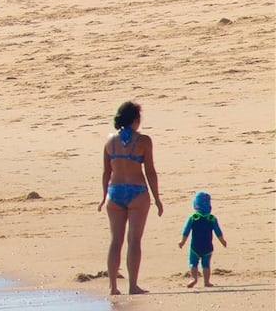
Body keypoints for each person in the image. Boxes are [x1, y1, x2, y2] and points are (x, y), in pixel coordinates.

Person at [97, 101, 162, 296]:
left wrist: (103, 197)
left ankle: (113, 286)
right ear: (135, 119)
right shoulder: (144, 141)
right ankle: (133, 285)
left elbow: (106, 172)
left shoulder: (110, 141)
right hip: (137, 192)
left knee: (115, 241)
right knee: (134, 241)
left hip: (115, 192)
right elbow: (150, 171)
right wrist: (157, 198)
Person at [178, 191, 228, 288]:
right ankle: (206, 281)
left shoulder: (193, 218)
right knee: (206, 265)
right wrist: (223, 241)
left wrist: (182, 242)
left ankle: (194, 278)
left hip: (195, 246)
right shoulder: (212, 219)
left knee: (193, 263)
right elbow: (218, 232)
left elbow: (186, 231)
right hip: (208, 247)